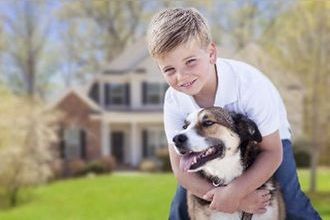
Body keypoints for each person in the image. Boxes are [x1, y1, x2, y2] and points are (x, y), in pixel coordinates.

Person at [147, 7, 321, 220]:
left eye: (190, 61)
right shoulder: (174, 99)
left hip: (269, 137)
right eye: (169, 70)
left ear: (211, 53)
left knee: (292, 202)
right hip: (204, 145)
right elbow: (181, 170)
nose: (181, 76)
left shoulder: (250, 86)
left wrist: (236, 191)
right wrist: (233, 199)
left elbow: (272, 152)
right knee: (180, 208)